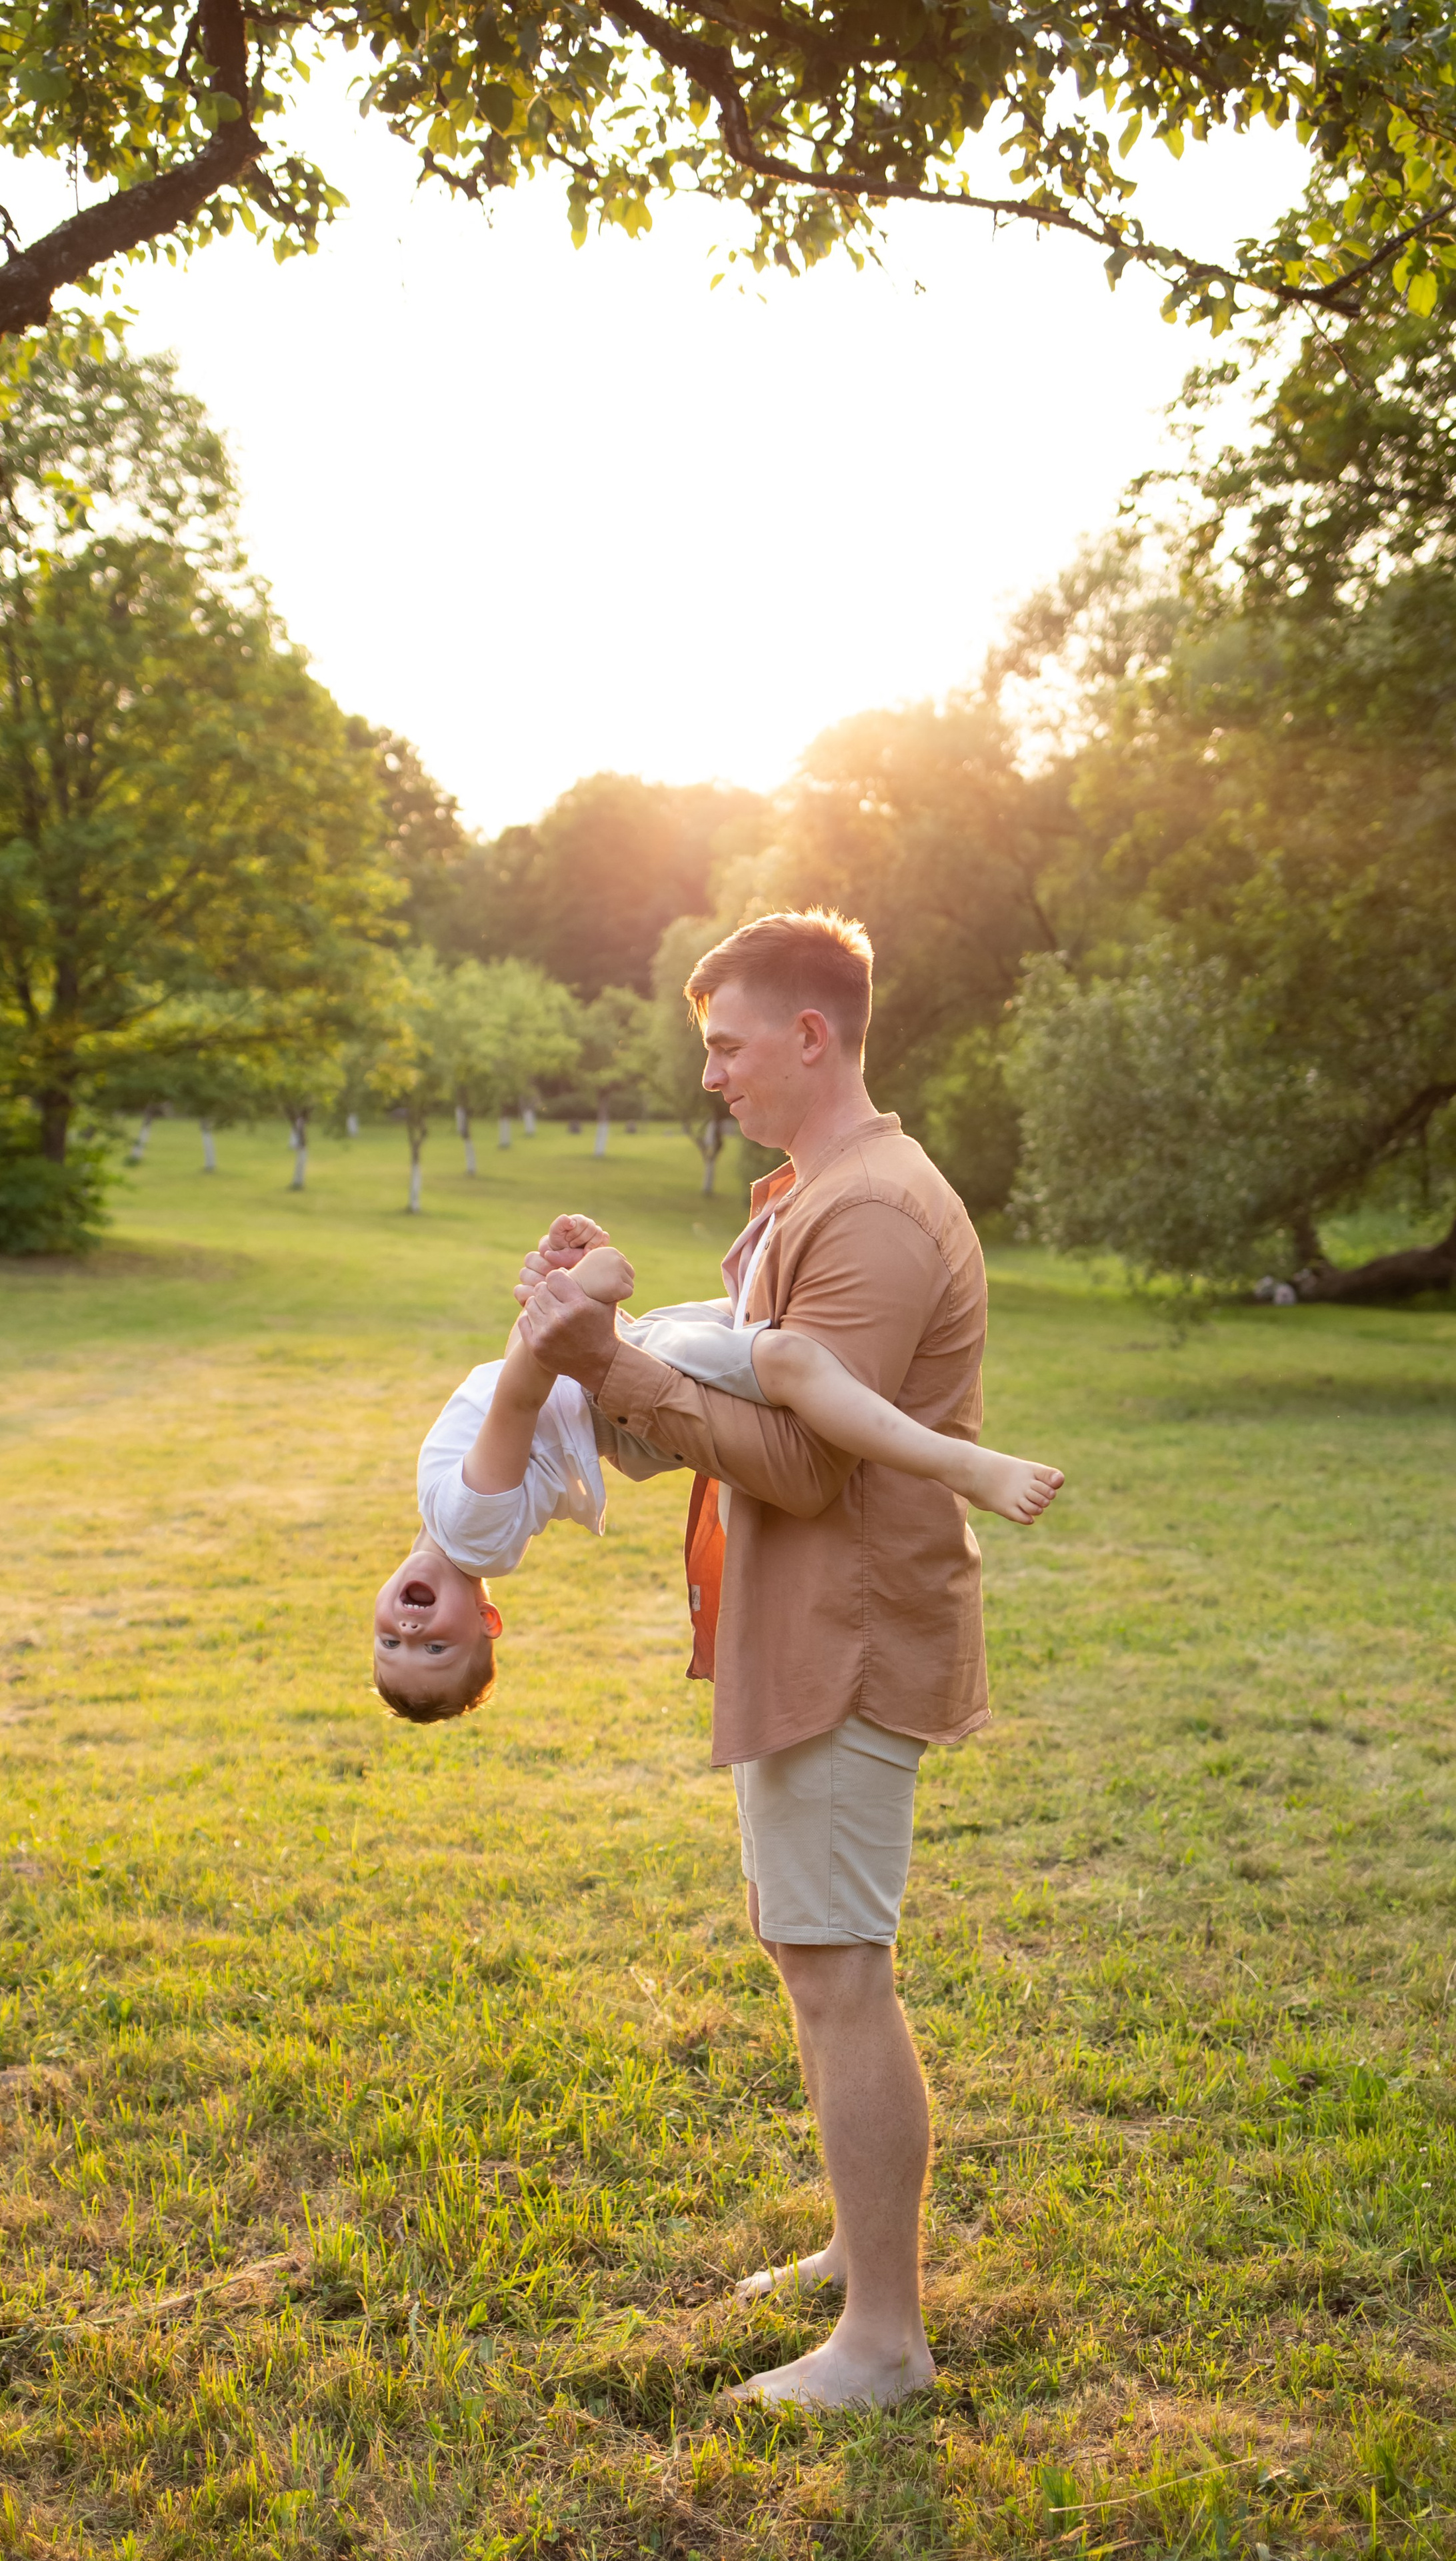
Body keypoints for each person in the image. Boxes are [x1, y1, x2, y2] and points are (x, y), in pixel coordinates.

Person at [515, 905, 1003, 2411]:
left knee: (838, 1964)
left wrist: (615, 1370)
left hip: (847, 1626)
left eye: (724, 1044)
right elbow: (744, 1421)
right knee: (808, 1948)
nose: (710, 1074)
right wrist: (614, 1362)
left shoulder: (864, 1212)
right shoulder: (811, 1191)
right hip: (800, 1617)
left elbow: (801, 1466)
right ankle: (860, 2256)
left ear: (809, 1034)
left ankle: (882, 2338)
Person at [373, 1221, 1061, 1722]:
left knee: (766, 1322)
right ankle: (962, 1466)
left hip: (605, 1395)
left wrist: (569, 1300)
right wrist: (578, 1288)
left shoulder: (451, 1519)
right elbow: (522, 1385)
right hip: (613, 1399)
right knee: (790, 1358)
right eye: (435, 1647)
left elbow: (520, 1397)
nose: (409, 1631)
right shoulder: (468, 1532)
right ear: (487, 1620)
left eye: (390, 1641)